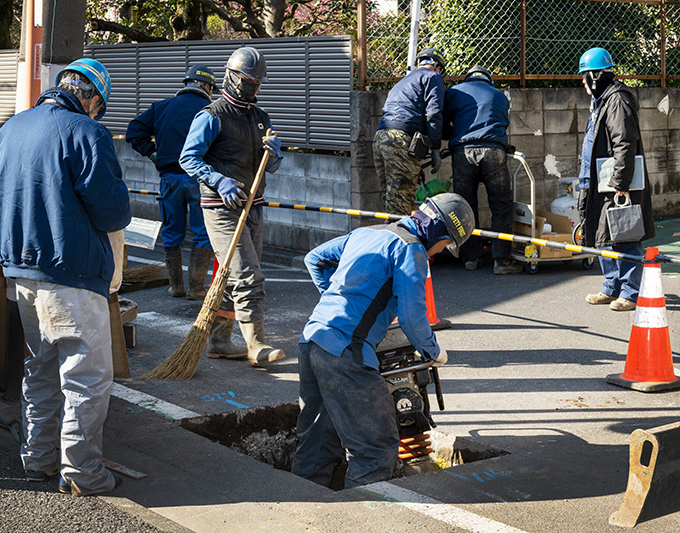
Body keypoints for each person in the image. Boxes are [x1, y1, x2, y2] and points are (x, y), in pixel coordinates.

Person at [0, 58, 132, 495]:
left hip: (21, 274)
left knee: (41, 370)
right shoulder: (88, 132)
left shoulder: (11, 129)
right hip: (72, 273)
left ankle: (37, 459)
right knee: (86, 378)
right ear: (90, 98)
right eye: (97, 105)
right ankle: (83, 474)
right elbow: (112, 211)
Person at [291, 193, 475, 489]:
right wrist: (434, 350)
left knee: (317, 444)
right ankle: (364, 516)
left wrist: (336, 300)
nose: (441, 252)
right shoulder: (411, 249)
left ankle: (303, 511)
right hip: (346, 352)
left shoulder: (368, 231)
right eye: (447, 243)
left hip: (312, 340)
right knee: (375, 449)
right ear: (438, 230)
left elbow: (314, 258)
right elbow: (412, 316)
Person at [180, 46, 285, 365]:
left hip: (254, 205)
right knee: (248, 275)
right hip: (221, 208)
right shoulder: (212, 115)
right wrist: (217, 179)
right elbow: (188, 158)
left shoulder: (260, 117)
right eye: (247, 79)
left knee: (232, 276)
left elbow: (271, 166)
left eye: (257, 81)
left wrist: (276, 153)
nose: (253, 85)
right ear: (231, 75)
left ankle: (221, 340)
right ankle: (256, 345)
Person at [126, 65, 217, 300]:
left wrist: (154, 154)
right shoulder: (211, 110)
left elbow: (134, 130)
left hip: (169, 179)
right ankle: (196, 288)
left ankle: (176, 286)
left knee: (171, 232)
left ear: (186, 84)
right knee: (202, 233)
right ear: (207, 87)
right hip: (200, 180)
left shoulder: (162, 107)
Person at [577, 47, 654, 311]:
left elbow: (625, 141)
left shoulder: (617, 99)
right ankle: (611, 287)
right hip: (600, 180)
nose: (583, 83)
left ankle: (630, 293)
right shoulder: (602, 100)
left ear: (595, 76)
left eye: (585, 76)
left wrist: (621, 182)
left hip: (615, 181)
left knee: (624, 233)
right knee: (603, 234)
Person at [443, 66, 521, 275]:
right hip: (494, 151)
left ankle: (471, 258)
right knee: (501, 205)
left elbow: (443, 119)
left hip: (463, 152)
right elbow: (503, 122)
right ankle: (502, 261)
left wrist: (453, 134)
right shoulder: (500, 96)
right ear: (489, 80)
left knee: (464, 206)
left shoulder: (455, 92)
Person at [373, 47, 447, 215]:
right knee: (402, 200)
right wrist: (435, 147)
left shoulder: (404, 81)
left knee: (390, 196)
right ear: (438, 67)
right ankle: (400, 238)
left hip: (381, 136)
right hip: (401, 138)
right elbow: (434, 113)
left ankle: (389, 234)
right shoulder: (433, 77)